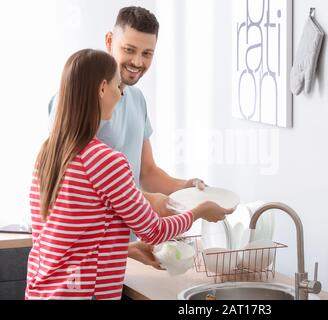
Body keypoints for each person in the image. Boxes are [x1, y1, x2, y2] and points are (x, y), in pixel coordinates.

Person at [26, 49, 233, 300]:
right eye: (117, 84)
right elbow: (155, 231)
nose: (121, 92)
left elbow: (63, 239)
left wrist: (126, 248)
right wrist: (200, 211)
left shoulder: (48, 152)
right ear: (103, 89)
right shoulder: (105, 160)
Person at [48, 7, 208, 267]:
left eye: (147, 54)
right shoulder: (74, 105)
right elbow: (72, 188)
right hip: (85, 257)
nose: (138, 62)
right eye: (130, 49)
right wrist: (154, 202)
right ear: (109, 41)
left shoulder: (136, 99)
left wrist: (188, 188)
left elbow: (147, 171)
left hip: (123, 247)